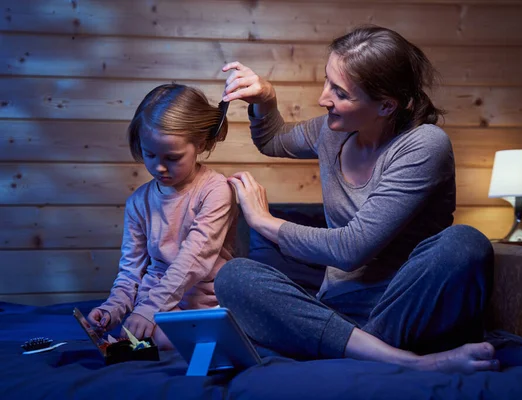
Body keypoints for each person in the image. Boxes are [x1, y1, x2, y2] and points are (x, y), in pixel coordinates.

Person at [214, 25, 500, 374]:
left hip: (403, 310)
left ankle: (361, 351)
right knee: (233, 277)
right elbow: (274, 140)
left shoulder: (425, 145)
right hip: (337, 315)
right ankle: (397, 360)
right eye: (326, 81)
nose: (324, 98)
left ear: (385, 106)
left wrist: (263, 221)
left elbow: (351, 250)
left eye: (340, 92)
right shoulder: (331, 133)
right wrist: (266, 99)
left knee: (465, 242)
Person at [87, 84, 237, 349]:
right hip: (156, 302)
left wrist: (149, 311)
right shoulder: (138, 203)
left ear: (200, 144)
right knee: (137, 334)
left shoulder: (215, 191)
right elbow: (131, 272)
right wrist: (114, 308)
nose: (158, 166)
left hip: (201, 303)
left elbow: (193, 259)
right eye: (150, 154)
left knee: (161, 335)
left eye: (172, 157)